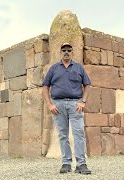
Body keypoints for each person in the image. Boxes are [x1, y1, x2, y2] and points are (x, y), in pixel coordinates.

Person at [42, 42, 92, 174]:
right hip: (57, 106)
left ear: (72, 52)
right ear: (60, 52)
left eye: (69, 50)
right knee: (63, 135)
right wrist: (49, 104)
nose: (66, 52)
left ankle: (81, 164)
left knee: (79, 134)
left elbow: (87, 85)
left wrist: (83, 101)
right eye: (63, 50)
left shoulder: (79, 68)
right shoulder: (54, 68)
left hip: (75, 105)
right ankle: (66, 163)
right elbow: (45, 87)